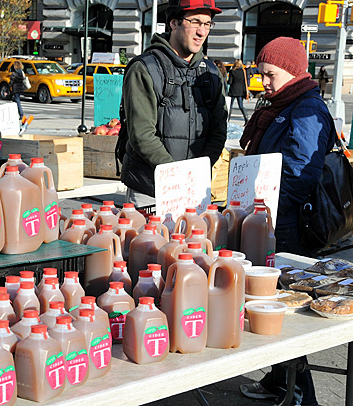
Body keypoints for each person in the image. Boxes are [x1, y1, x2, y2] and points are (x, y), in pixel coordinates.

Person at [239, 37, 336, 406]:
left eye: (270, 74)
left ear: (292, 71)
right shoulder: (283, 103)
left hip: (288, 224)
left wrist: (266, 210)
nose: (263, 82)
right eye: (261, 74)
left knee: (281, 310)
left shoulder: (306, 108)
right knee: (271, 303)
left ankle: (300, 394)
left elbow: (300, 172)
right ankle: (280, 381)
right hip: (272, 217)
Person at [119, 0, 227, 206]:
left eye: (207, 24)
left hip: (194, 188)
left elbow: (218, 130)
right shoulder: (145, 68)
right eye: (195, 22)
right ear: (174, 23)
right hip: (149, 189)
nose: (201, 32)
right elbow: (142, 135)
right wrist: (176, 176)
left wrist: (198, 172)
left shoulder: (211, 72)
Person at [227, 59, 249, 124]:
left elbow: (230, 82)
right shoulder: (243, 71)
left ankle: (227, 119)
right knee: (241, 106)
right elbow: (244, 82)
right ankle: (246, 118)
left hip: (233, 90)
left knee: (230, 106)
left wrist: (227, 81)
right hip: (240, 91)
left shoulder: (232, 71)